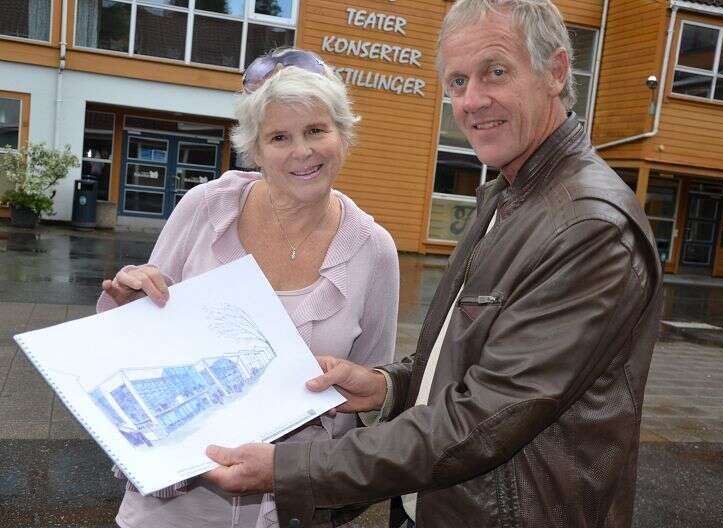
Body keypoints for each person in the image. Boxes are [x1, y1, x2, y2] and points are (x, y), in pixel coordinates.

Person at [206, 1, 664, 526]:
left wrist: (290, 468)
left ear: (556, 71)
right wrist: (388, 388)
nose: (472, 100)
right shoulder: (511, 194)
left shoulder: (587, 226)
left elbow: (482, 419)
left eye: (496, 72)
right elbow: (468, 362)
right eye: (458, 81)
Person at [97, 49, 399, 528]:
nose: (302, 151)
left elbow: (373, 388)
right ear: (255, 149)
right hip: (174, 503)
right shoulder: (205, 209)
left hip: (290, 508)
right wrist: (132, 301)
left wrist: (330, 485)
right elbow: (137, 335)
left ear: (343, 135)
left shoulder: (373, 249)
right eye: (279, 137)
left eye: (316, 130)